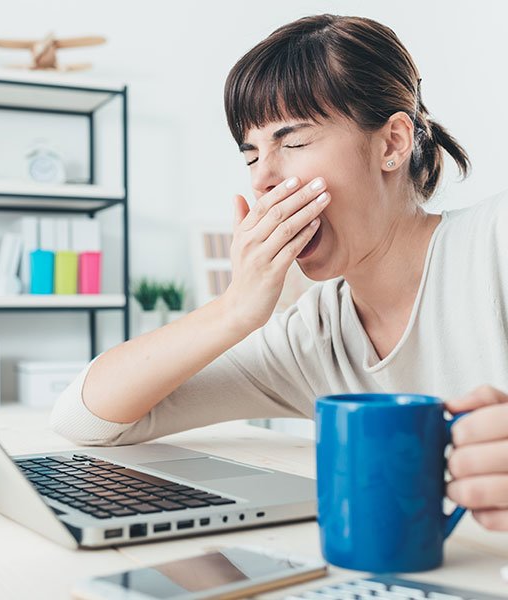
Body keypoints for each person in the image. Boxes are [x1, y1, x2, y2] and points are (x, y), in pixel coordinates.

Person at [51, 14, 508, 532]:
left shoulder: (496, 240)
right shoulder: (312, 336)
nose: (264, 179)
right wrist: (233, 311)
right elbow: (84, 418)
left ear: (392, 143)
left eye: (292, 144)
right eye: (251, 155)